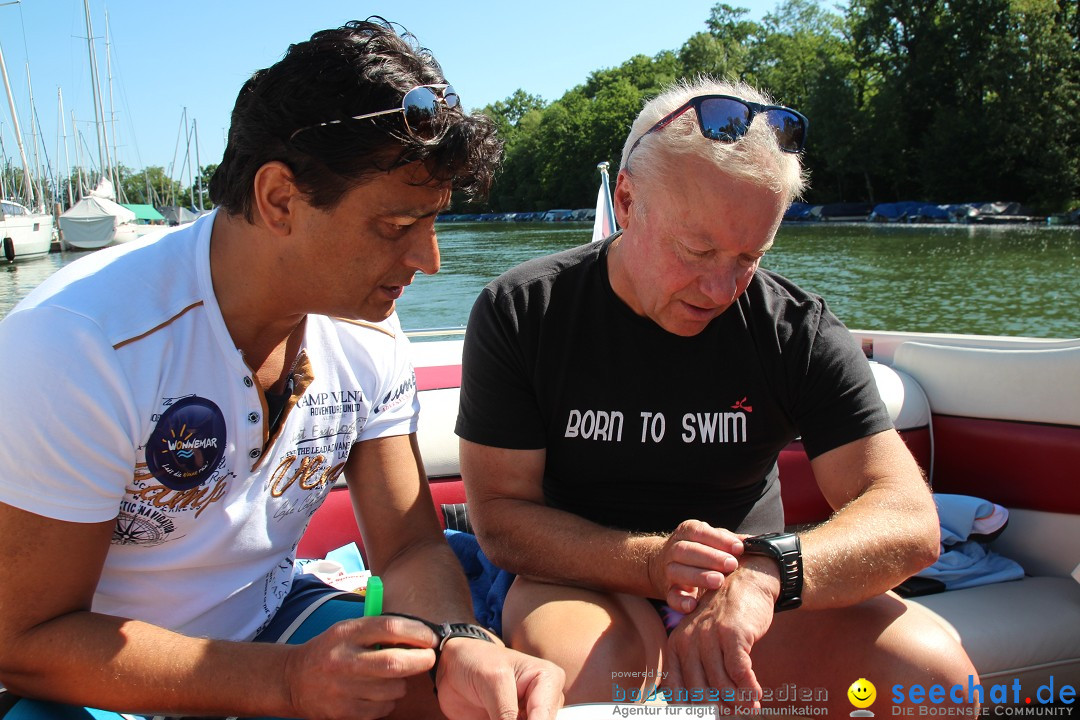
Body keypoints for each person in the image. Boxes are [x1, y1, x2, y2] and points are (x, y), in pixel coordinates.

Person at [0, 19, 562, 720]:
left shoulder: (368, 332)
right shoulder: (82, 346)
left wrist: (459, 641)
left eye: (433, 222)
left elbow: (411, 544)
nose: (429, 260)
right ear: (278, 199)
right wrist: (286, 682)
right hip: (98, 672)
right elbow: (25, 638)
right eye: (395, 226)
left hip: (276, 622)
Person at [456, 77, 978, 714]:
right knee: (588, 685)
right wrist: (654, 565)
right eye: (696, 249)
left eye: (748, 256)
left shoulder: (795, 330)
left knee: (936, 678)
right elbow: (502, 521)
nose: (720, 286)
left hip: (738, 584)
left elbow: (908, 521)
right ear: (626, 200)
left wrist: (766, 576)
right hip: (575, 578)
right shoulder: (523, 311)